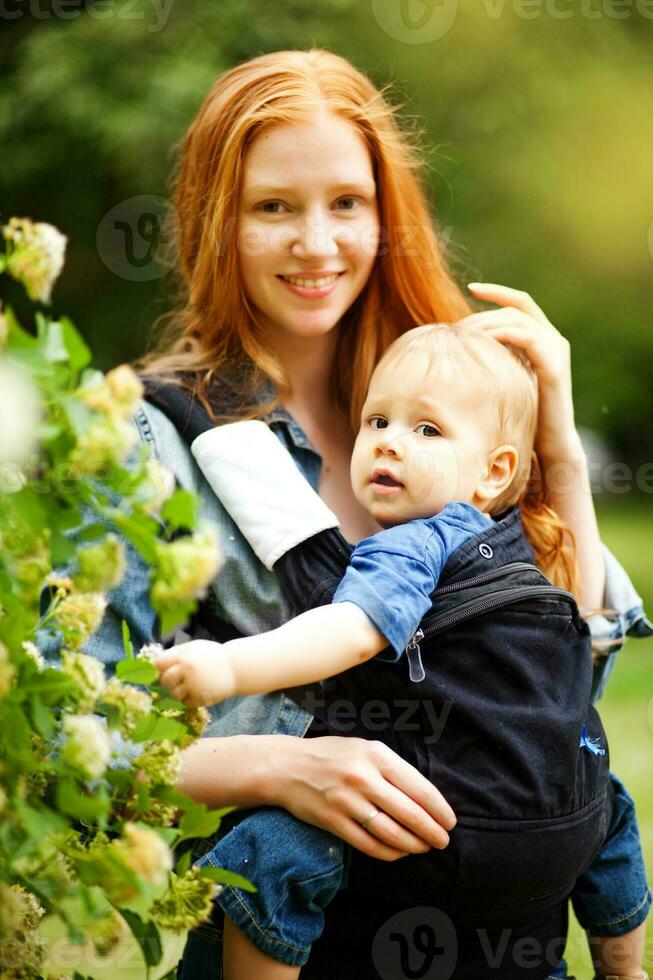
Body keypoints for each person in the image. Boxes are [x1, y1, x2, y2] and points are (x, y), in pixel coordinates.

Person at [80, 48, 650, 978]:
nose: (316, 242)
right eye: (273, 207)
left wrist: (557, 454)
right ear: (215, 225)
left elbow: (566, 688)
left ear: (389, 216)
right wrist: (276, 769)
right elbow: (68, 739)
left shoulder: (460, 411)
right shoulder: (148, 438)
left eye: (346, 202)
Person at [154, 322, 648, 980]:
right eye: (377, 420)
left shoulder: (415, 542)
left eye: (426, 430)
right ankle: (623, 967)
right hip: (554, 833)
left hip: (437, 821)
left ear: (495, 469)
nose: (389, 441)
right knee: (611, 806)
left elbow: (350, 632)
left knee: (267, 851)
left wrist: (228, 666)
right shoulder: (523, 541)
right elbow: (585, 614)